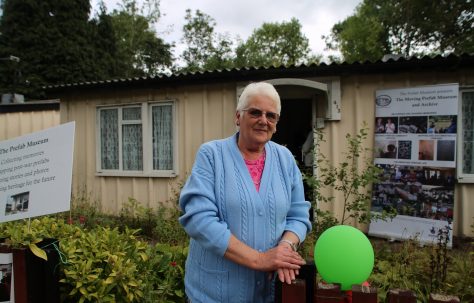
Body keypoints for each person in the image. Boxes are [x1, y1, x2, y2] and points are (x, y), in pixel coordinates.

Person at [179, 82, 312, 303]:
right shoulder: (212, 155)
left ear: (276, 124)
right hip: (215, 294)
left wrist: (285, 247)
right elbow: (198, 219)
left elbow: (298, 216)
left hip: (268, 294)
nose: (263, 120)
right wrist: (260, 259)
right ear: (238, 117)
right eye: (255, 112)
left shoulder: (285, 159)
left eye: (271, 115)